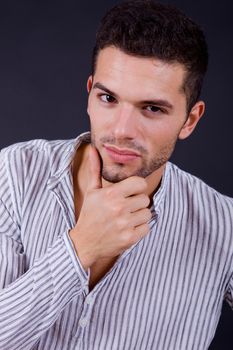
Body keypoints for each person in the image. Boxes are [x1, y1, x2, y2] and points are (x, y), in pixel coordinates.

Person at [0, 0, 232, 349]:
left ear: (190, 120)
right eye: (108, 98)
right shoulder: (15, 175)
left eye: (152, 108)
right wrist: (80, 249)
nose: (122, 130)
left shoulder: (224, 227)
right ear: (90, 93)